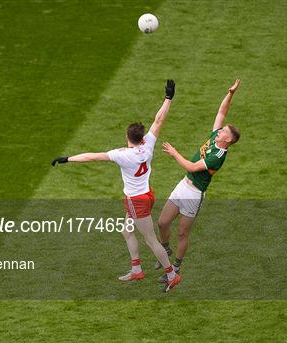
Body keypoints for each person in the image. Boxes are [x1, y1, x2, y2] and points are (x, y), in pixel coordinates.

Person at [51, 80, 181, 292]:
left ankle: (171, 274)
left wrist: (68, 158)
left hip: (135, 200)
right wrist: (168, 98)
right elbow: (159, 120)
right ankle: (137, 270)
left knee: (150, 240)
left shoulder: (122, 155)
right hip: (147, 194)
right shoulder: (148, 144)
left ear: (128, 137)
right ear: (141, 137)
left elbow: (92, 157)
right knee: (126, 231)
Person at [155, 79, 241, 282]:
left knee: (183, 234)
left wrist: (175, 153)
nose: (219, 130)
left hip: (194, 195)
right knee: (162, 222)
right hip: (183, 185)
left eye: (223, 132)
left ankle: (175, 269)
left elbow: (192, 167)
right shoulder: (215, 138)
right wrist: (230, 93)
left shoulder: (217, 157)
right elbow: (221, 113)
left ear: (227, 140)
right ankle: (165, 252)